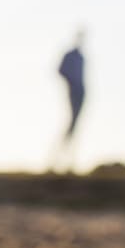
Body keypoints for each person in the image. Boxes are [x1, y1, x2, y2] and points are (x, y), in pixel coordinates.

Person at [53, 30, 86, 172]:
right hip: (74, 91)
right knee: (71, 124)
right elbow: (60, 70)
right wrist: (71, 82)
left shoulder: (81, 57)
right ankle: (59, 159)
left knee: (75, 125)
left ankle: (69, 159)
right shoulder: (71, 55)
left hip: (81, 91)